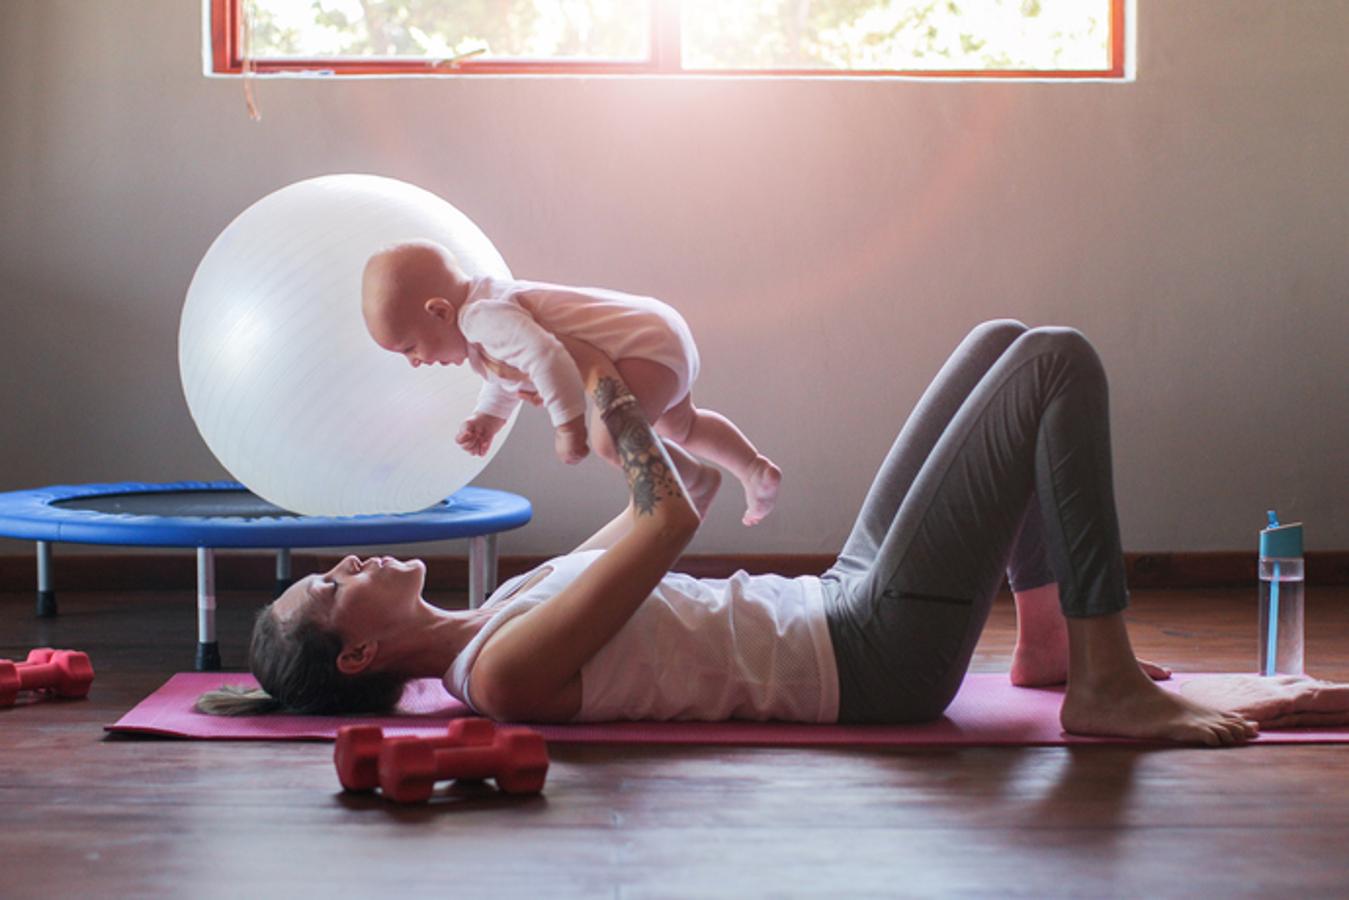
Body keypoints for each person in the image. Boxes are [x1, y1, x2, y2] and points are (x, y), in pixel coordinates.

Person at [198, 321, 1258, 747]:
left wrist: (654, 406)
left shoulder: (497, 612)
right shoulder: (501, 674)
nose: (345, 563)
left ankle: (1047, 646)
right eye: (333, 588)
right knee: (1056, 364)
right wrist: (588, 372)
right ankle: (1104, 686)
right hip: (871, 655)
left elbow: (665, 499)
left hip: (838, 601)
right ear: (361, 654)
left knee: (1005, 345)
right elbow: (664, 525)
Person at [360, 240, 782, 526]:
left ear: (439, 312)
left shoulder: (481, 318)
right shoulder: (482, 323)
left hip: (640, 346)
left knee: (609, 440)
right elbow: (506, 372)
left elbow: (547, 357)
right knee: (683, 425)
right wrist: (487, 419)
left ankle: (694, 479)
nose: (415, 363)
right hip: (656, 330)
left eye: (409, 348)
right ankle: (753, 469)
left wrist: (568, 427)